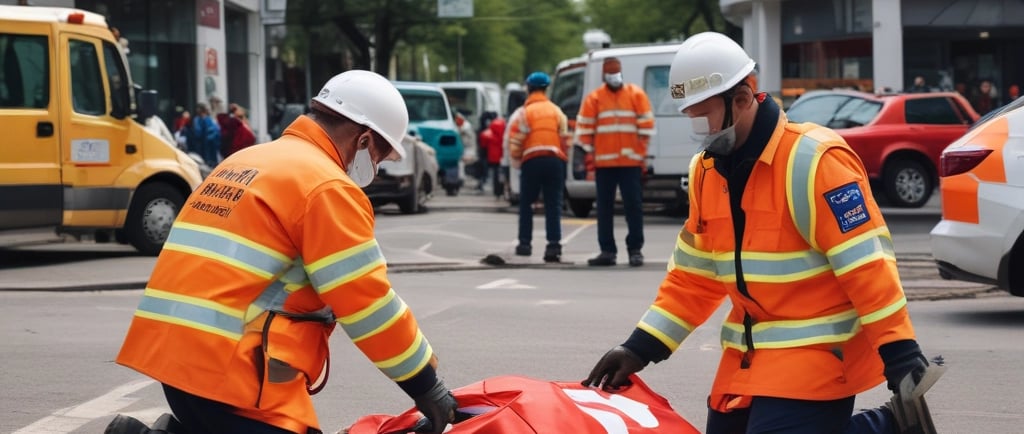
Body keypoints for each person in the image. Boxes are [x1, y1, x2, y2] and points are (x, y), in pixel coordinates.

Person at [582, 32, 939, 434]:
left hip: (819, 354)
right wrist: (639, 347)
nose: (700, 132)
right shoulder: (706, 172)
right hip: (749, 356)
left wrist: (899, 350)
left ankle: (886, 428)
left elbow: (867, 266)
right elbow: (693, 277)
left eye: (704, 117)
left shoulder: (815, 161)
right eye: (691, 118)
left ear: (742, 98)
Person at [105, 70, 458, 434]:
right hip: (230, 370)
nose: (378, 167)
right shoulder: (326, 186)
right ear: (364, 139)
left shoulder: (245, 161)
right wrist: (426, 385)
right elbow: (367, 302)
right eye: (381, 155)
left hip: (176, 359)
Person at [576, 57, 655, 267]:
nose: (614, 78)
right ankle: (608, 251)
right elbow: (584, 132)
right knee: (604, 209)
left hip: (630, 163)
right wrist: (591, 158)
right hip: (605, 164)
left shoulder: (635, 95)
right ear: (604, 75)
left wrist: (640, 155)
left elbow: (646, 128)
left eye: (616, 73)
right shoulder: (595, 98)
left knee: (633, 207)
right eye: (610, 74)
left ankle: (635, 250)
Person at [508, 71, 570, 263]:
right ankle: (553, 246)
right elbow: (564, 139)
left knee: (526, 204)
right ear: (546, 89)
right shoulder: (557, 111)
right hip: (554, 160)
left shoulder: (523, 113)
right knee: (553, 204)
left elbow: (516, 140)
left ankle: (525, 244)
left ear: (529, 89)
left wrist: (517, 160)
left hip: (532, 160)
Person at [479, 115, 506, 199]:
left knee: (494, 174)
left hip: (493, 158)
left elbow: (483, 144)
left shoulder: (487, 135)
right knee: (502, 174)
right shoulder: (504, 134)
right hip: (503, 157)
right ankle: (501, 190)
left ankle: (496, 191)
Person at [190, 102, 222, 166]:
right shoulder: (197, 119)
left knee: (209, 158)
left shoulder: (208, 119)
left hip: (208, 142)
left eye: (198, 108)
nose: (197, 110)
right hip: (201, 142)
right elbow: (197, 131)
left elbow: (214, 130)